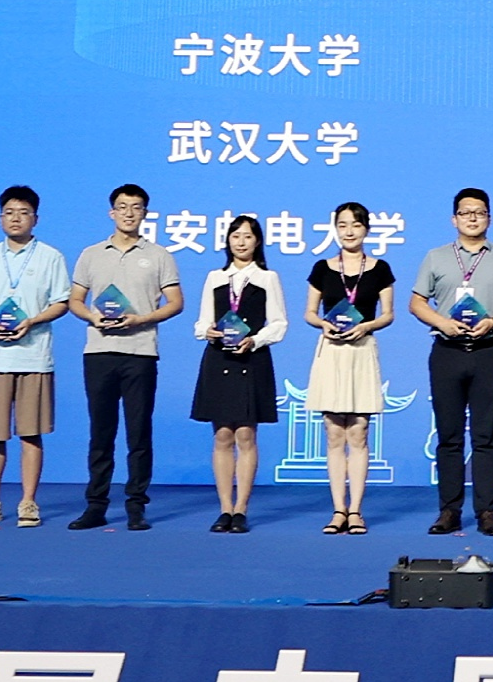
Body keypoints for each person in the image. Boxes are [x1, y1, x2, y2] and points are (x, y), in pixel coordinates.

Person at [411, 185, 493, 538]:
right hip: (447, 352)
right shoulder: (436, 257)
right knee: (449, 436)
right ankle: (449, 511)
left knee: (485, 437)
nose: (472, 218)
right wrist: (441, 322)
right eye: (465, 212)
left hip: (488, 352)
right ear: (454, 219)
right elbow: (416, 302)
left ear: (489, 218)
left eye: (479, 212)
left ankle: (487, 512)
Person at [69, 181, 182, 530]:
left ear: (145, 213)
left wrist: (141, 319)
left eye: (136, 207)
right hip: (99, 352)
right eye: (122, 206)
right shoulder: (91, 253)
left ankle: (136, 505)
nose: (129, 213)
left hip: (140, 352)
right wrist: (92, 317)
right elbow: (75, 300)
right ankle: (96, 505)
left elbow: (176, 303)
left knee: (138, 432)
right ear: (111, 212)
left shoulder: (159, 255)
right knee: (100, 432)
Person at [0, 184, 69, 527]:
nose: (16, 218)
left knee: (31, 433)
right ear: (0, 218)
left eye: (23, 212)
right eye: (9, 212)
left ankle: (28, 503)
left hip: (34, 357)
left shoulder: (51, 256)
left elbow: (62, 303)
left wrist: (32, 321)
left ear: (36, 218)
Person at [187, 214, 286, 532]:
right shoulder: (215, 277)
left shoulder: (268, 278)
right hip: (218, 360)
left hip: (251, 359)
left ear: (257, 242)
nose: (241, 242)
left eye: (247, 236)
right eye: (235, 236)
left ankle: (241, 509)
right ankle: (224, 509)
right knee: (222, 435)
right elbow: (202, 321)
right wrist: (207, 331)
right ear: (227, 241)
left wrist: (255, 340)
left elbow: (279, 323)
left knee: (245, 434)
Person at [303, 201, 396, 535]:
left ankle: (356, 510)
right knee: (333, 432)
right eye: (342, 225)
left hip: (361, 349)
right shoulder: (322, 268)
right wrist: (322, 325)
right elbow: (310, 312)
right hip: (331, 351)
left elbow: (388, 314)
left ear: (366, 229)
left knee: (358, 431)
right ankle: (337, 510)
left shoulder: (380, 268)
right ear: (335, 229)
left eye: (356, 225)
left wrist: (366, 326)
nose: (349, 231)